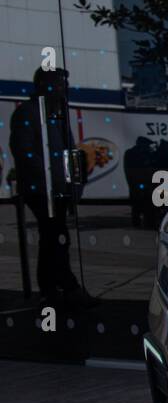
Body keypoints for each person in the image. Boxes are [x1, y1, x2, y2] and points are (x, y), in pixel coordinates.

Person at [7, 68, 95, 307]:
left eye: (64, 84)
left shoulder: (57, 115)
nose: (63, 88)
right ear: (44, 85)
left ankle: (54, 288)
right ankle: (66, 287)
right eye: (58, 83)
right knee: (56, 237)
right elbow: (25, 154)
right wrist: (50, 181)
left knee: (53, 239)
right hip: (41, 191)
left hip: (57, 189)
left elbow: (70, 151)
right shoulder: (28, 113)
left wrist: (75, 182)